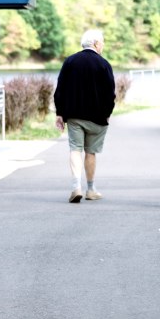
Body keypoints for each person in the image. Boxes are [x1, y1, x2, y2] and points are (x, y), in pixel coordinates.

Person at [54, 29, 115, 204]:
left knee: (75, 149)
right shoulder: (104, 64)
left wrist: (60, 113)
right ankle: (90, 189)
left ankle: (75, 187)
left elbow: (60, 89)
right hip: (97, 118)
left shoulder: (70, 61)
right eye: (101, 42)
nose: (102, 46)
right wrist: (107, 114)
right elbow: (110, 94)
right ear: (96, 43)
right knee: (90, 152)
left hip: (74, 116)